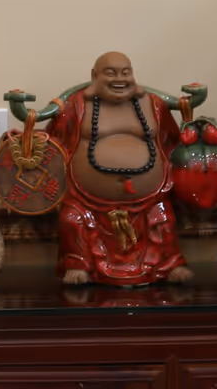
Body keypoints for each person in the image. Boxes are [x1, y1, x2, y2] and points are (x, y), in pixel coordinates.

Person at [43, 52, 192, 287]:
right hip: (87, 200)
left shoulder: (153, 104)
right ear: (94, 76)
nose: (119, 79)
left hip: (149, 198)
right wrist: (26, 144)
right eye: (110, 73)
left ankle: (168, 264)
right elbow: (52, 143)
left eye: (126, 72)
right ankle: (79, 263)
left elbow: (173, 141)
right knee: (71, 220)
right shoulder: (76, 105)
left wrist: (203, 145)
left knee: (163, 218)